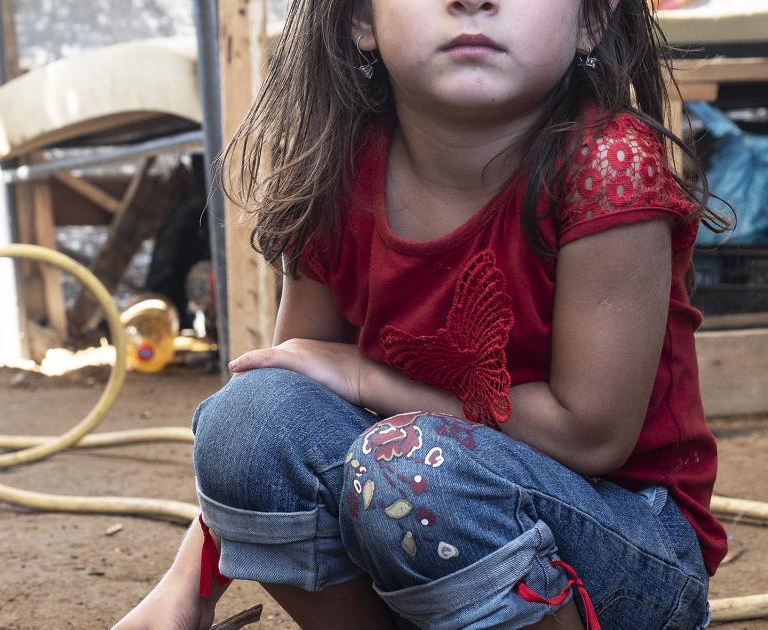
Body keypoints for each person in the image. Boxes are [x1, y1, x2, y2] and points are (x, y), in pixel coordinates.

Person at [114, 0, 729, 627]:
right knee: (250, 418)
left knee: (411, 464)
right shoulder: (337, 165)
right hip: (425, 519)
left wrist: (371, 379)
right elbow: (288, 393)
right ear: (360, 21)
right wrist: (190, 585)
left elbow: (591, 434)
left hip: (627, 543)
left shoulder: (609, 165)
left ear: (591, 22)